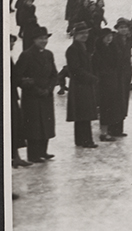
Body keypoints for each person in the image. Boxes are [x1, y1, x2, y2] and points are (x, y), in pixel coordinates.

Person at [16, 26, 57, 163]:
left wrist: (49, 89)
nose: (44, 41)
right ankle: (33, 155)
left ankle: (43, 151)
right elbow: (18, 77)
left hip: (46, 95)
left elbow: (54, 75)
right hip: (32, 97)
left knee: (45, 124)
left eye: (45, 38)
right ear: (34, 40)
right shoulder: (26, 55)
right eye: (41, 39)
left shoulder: (49, 54)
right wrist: (36, 90)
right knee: (34, 126)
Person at [65, 22, 99, 148]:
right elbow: (75, 69)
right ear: (75, 35)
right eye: (81, 34)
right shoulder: (73, 49)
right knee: (84, 113)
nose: (85, 35)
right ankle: (86, 140)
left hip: (82, 84)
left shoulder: (82, 46)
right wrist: (91, 78)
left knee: (81, 113)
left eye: (86, 33)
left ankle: (80, 139)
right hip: (80, 84)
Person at [92, 28, 120, 141]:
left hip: (112, 81)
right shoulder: (98, 50)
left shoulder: (112, 48)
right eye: (107, 36)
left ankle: (107, 130)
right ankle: (103, 132)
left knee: (110, 106)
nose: (109, 38)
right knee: (105, 107)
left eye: (111, 36)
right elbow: (96, 67)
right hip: (103, 82)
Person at [10, 35, 31, 168]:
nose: (12, 46)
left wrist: (21, 81)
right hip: (7, 97)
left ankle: (15, 157)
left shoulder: (8, 57)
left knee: (14, 127)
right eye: (10, 43)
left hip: (11, 97)